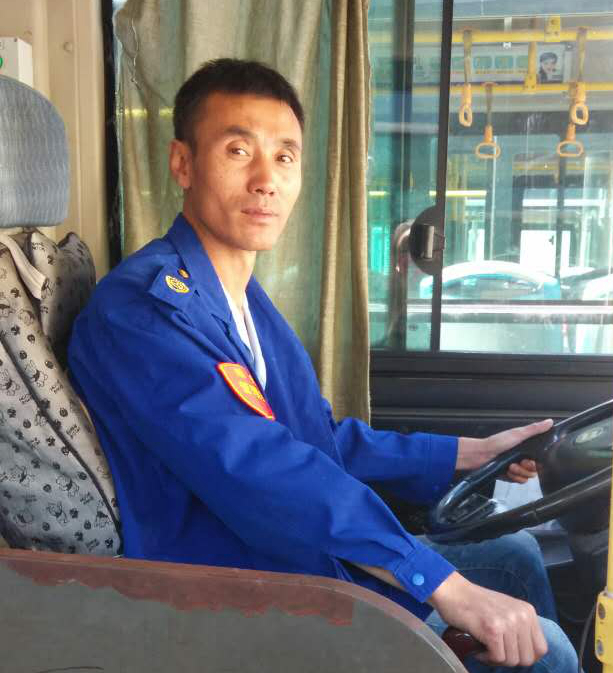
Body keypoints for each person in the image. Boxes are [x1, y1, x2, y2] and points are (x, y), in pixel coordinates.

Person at [68, 58, 578, 672]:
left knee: (517, 555)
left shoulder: (242, 301)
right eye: (238, 150)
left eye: (284, 156)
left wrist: (471, 453)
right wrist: (440, 582)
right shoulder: (146, 309)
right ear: (183, 163)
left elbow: (320, 440)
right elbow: (261, 466)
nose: (266, 180)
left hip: (293, 555)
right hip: (232, 590)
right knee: (550, 649)